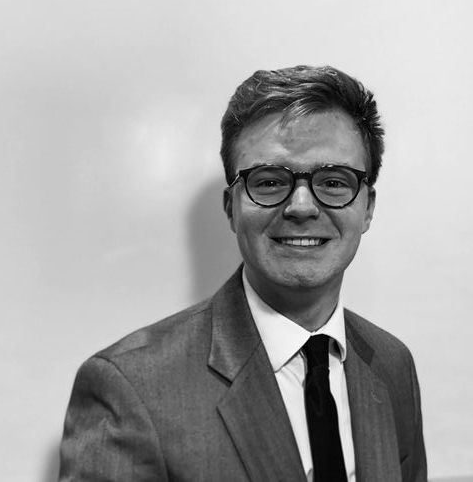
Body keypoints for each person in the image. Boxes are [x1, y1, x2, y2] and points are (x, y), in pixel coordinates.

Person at [59, 65, 427, 482]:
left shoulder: (392, 365)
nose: (302, 206)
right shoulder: (129, 387)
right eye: (269, 182)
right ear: (231, 207)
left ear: (368, 208)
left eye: (334, 181)